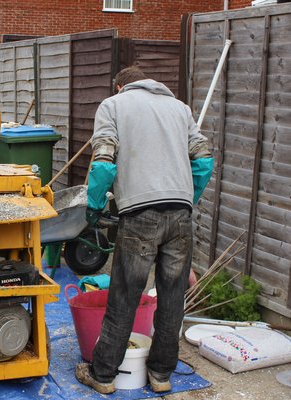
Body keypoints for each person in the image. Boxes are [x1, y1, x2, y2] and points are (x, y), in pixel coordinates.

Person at [75, 66, 213, 394]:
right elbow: (204, 161)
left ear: (121, 86)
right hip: (180, 215)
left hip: (139, 215)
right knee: (171, 299)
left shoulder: (112, 106)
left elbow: (105, 162)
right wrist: (187, 198)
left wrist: (93, 207)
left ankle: (104, 374)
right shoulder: (180, 109)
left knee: (125, 297)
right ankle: (161, 375)